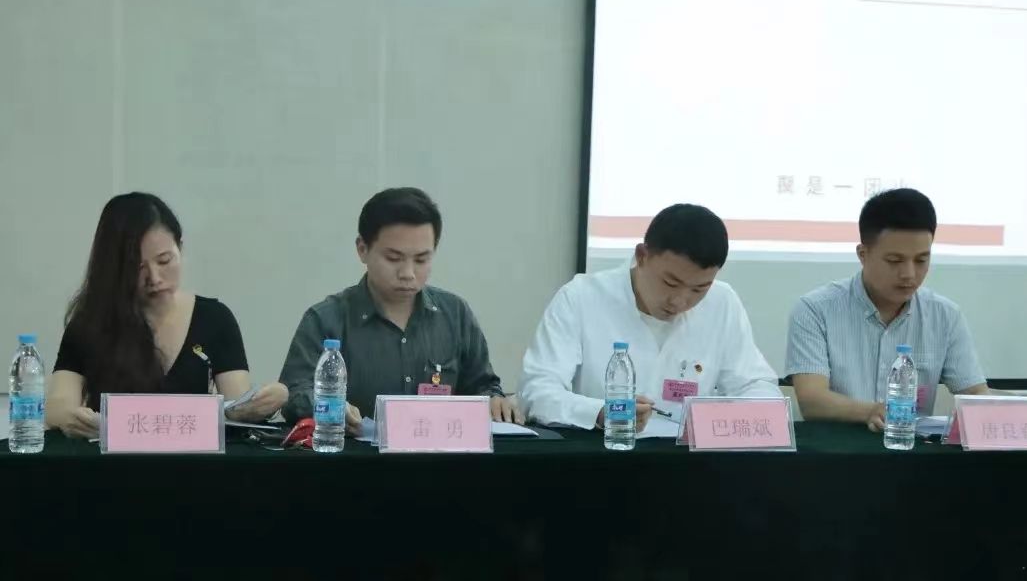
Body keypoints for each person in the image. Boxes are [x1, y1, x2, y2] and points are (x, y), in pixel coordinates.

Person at [45, 192, 288, 439]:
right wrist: (74, 419)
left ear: (180, 247)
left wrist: (262, 404)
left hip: (192, 459)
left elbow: (237, 406)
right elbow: (57, 408)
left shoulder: (215, 319)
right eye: (137, 267)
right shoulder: (91, 323)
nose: (155, 278)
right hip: (113, 459)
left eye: (164, 260)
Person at [519, 203, 780, 430]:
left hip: (692, 463)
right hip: (601, 455)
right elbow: (537, 391)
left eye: (699, 289)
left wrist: (731, 415)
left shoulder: (722, 302)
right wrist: (600, 412)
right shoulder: (581, 297)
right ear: (642, 256)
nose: (680, 301)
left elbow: (756, 385)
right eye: (670, 283)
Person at [279, 186, 521, 431]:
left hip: (440, 453)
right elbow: (293, 394)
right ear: (362, 249)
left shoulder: (455, 314)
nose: (408, 273)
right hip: (354, 453)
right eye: (394, 259)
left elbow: (482, 387)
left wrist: (495, 401)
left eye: (421, 260)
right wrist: (331, 407)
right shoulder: (325, 320)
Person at [785, 188, 990, 432]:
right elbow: (812, 401)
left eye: (921, 260)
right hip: (836, 450)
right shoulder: (815, 310)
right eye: (895, 261)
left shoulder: (945, 316)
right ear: (863, 254)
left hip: (910, 451)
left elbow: (976, 394)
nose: (909, 274)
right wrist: (871, 412)